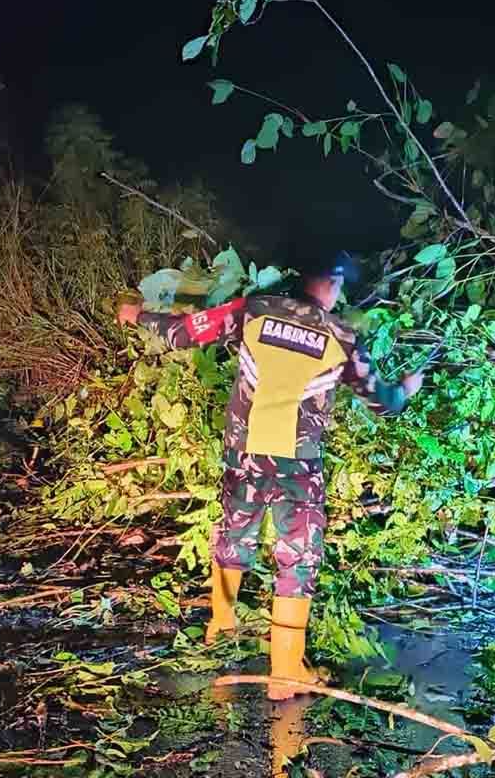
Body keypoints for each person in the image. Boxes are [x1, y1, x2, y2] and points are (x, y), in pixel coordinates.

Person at [117, 251, 424, 701]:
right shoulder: (340, 336)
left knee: (235, 534)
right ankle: (284, 672)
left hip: (246, 453)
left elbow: (186, 332)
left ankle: (219, 633)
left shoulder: (254, 310)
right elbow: (382, 401)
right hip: (297, 465)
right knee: (297, 557)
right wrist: (407, 390)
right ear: (334, 285)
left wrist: (137, 314)